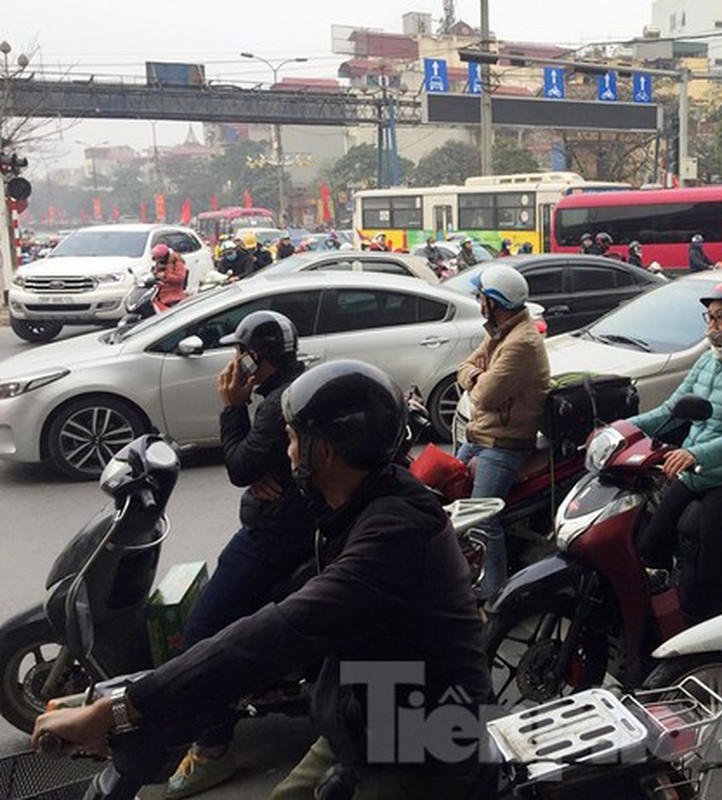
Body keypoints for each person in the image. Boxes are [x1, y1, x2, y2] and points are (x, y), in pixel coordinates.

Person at [33, 361, 490, 800]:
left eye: (292, 440)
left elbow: (280, 630)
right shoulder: (359, 503)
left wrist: (115, 711)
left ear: (324, 451)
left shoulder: (393, 535)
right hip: (365, 719)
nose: (287, 453)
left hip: (420, 739)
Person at [159, 311, 314, 797]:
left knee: (204, 633)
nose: (232, 361)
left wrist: (230, 406)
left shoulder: (270, 407)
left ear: (255, 358)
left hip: (274, 537)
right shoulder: (294, 386)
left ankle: (212, 749)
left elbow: (241, 467)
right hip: (291, 526)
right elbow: (255, 473)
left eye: (239, 353)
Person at [632, 280, 722, 625]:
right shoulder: (707, 361)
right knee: (650, 545)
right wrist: (621, 429)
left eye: (721, 317)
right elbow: (671, 411)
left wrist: (696, 455)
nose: (712, 325)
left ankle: (712, 626)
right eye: (710, 317)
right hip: (694, 472)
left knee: (711, 573)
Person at [456, 265, 550, 600]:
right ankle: (463, 572)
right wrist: (475, 375)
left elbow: (484, 395)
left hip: (504, 443)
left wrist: (476, 379)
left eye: (481, 296)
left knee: (482, 517)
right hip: (479, 434)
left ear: (494, 302)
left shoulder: (521, 342)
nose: (478, 301)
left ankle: (495, 591)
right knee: (448, 500)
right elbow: (464, 368)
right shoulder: (498, 331)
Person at [150, 244, 188, 310]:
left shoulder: (177, 262)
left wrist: (165, 275)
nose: (157, 261)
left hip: (173, 294)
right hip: (160, 294)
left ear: (164, 256)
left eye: (158, 258)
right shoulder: (159, 263)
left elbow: (180, 278)